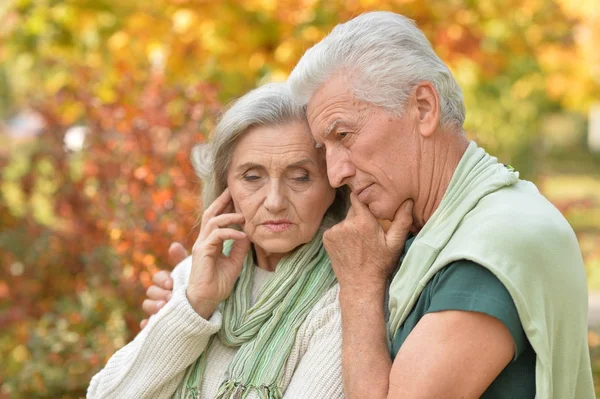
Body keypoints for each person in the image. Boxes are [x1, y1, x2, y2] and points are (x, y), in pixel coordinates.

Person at [144, 11, 594, 398]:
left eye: (344, 136)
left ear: (422, 107)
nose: (336, 173)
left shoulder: (497, 242)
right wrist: (191, 312)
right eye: (324, 150)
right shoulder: (436, 223)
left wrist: (359, 287)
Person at [87, 82, 349, 399]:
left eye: (300, 176)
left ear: (333, 185)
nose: (275, 201)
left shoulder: (344, 294)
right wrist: (195, 304)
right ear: (225, 188)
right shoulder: (196, 273)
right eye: (252, 177)